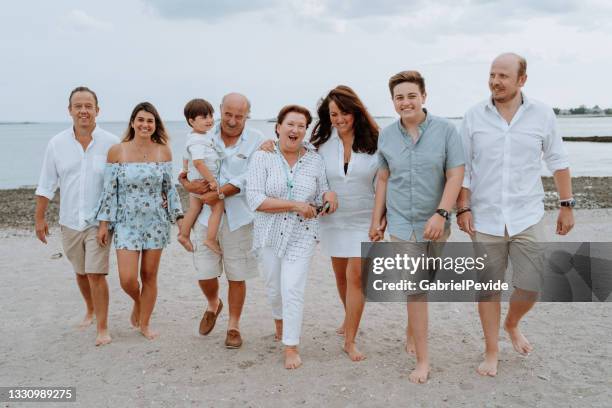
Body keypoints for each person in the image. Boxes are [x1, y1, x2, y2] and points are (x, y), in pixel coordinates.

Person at [456, 53, 574, 377]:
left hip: (528, 213)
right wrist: (462, 206)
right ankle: (491, 350)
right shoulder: (473, 116)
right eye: (492, 74)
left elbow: (558, 160)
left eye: (503, 76)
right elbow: (462, 166)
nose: (495, 81)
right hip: (486, 217)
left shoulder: (542, 114)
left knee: (533, 284)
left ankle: (512, 323)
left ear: (521, 80)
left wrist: (567, 205)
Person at [370, 70, 465, 383]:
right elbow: (383, 178)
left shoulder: (447, 130)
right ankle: (423, 361)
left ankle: (412, 329)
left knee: (427, 281)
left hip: (436, 221)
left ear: (424, 96)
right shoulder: (386, 135)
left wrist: (441, 213)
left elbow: (455, 175)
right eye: (399, 97)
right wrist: (376, 219)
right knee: (416, 289)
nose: (406, 102)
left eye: (411, 95)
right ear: (393, 102)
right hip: (400, 220)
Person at [247, 104, 337, 369]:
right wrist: (296, 205)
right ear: (278, 127)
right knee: (275, 289)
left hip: (302, 234)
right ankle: (279, 319)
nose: (295, 129)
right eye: (290, 124)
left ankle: (291, 346)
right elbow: (255, 199)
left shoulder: (314, 159)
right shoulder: (262, 157)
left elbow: (324, 189)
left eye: (301, 126)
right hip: (269, 234)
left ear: (305, 131)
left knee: (292, 289)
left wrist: (329, 197)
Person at [178, 93, 265, 349]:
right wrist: (185, 181)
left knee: (237, 275)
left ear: (247, 115)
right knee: (205, 273)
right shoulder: (204, 132)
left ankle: (234, 325)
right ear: (220, 111)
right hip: (206, 215)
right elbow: (188, 165)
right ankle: (214, 303)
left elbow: (254, 175)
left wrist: (221, 191)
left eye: (239, 116)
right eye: (228, 114)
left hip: (239, 217)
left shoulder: (258, 140)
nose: (233, 120)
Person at [35, 86, 119, 347]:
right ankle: (90, 310)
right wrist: (39, 218)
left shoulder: (112, 143)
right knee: (81, 272)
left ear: (97, 110)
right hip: (69, 220)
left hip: (99, 222)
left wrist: (108, 220)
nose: (83, 111)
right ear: (70, 110)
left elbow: (115, 186)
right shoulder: (57, 144)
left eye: (88, 106)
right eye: (78, 106)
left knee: (96, 274)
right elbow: (47, 183)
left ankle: (103, 328)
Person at [94, 102, 183, 340]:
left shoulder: (163, 151)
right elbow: (109, 191)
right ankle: (138, 301)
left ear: (156, 125)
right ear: (133, 122)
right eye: (141, 120)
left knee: (149, 275)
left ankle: (144, 324)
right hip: (125, 223)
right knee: (127, 279)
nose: (145, 124)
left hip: (156, 221)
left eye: (150, 121)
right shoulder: (117, 151)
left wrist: (179, 217)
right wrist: (104, 223)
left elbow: (169, 190)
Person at [310, 85, 379, 362]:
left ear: (356, 112)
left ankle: (350, 340)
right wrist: (269, 144)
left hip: (365, 218)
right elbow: (306, 171)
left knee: (356, 277)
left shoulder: (376, 142)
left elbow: (386, 182)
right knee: (341, 276)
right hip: (333, 219)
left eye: (344, 113)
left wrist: (381, 218)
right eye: (333, 114)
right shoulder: (321, 145)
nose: (339, 119)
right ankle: (350, 317)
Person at [176, 98, 224, 254]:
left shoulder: (196, 136)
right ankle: (210, 239)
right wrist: (212, 181)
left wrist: (184, 170)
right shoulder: (198, 140)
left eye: (210, 116)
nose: (209, 120)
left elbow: (185, 157)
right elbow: (198, 162)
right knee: (218, 206)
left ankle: (183, 234)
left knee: (193, 208)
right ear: (191, 121)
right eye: (203, 117)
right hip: (203, 181)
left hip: (196, 179)